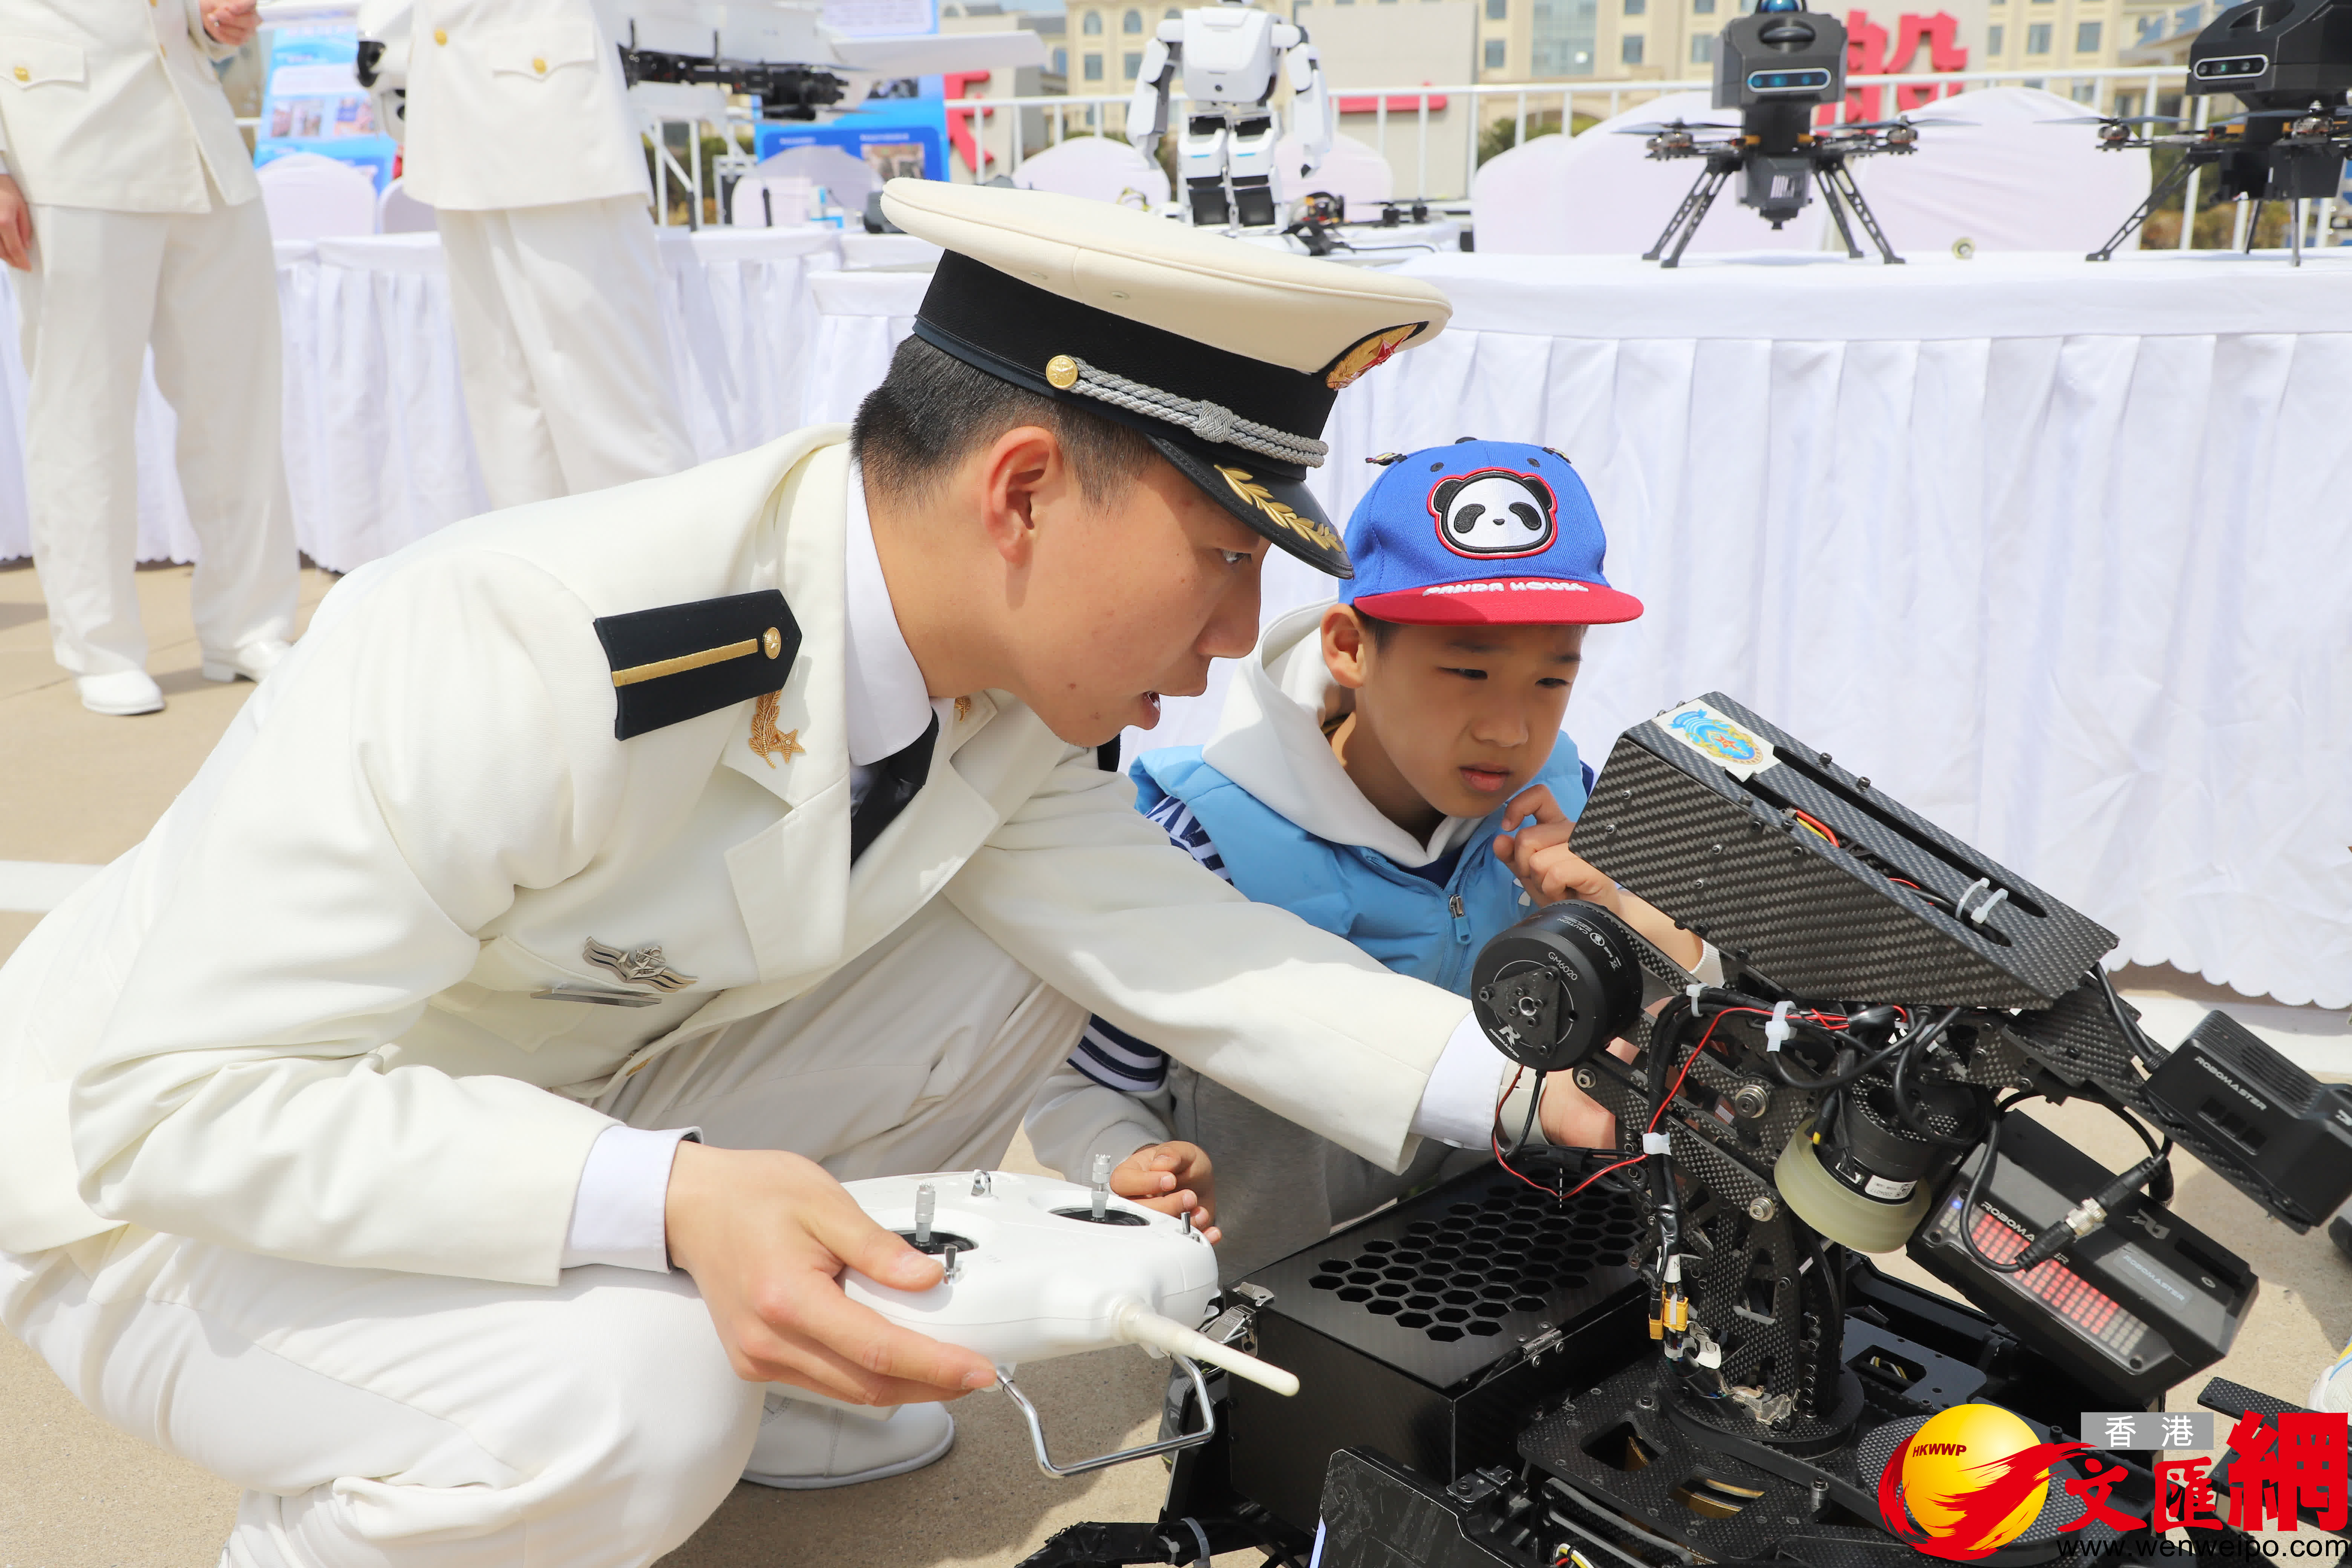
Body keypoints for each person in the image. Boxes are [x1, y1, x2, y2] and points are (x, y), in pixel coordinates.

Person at [0, 184, 1618, 1562]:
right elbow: (172, 1101)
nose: (1224, 638)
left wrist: (1530, 1087)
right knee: (635, 1395)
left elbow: (1177, 942)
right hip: (142, 1194)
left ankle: (755, 1367)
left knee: (1022, 940)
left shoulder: (983, 682)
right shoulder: (528, 644)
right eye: (1222, 556)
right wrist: (679, 1196)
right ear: (1025, 490)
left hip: (508, 1094)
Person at [1027, 439, 1715, 1279]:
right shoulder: (1204, 840)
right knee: (1269, 1032)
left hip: (1491, 1264)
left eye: (1551, 680)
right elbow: (1079, 1087)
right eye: (1467, 670)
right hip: (1270, 1282)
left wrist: (1626, 910)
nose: (1509, 727)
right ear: (1350, 647)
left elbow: (1715, 1019)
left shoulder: (1572, 800)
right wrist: (1124, 1162)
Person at [0, 0, 299, 715]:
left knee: (239, 408)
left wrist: (209, 20)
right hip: (64, 149)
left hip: (201, 144)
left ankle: (248, 627)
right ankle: (98, 646)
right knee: (82, 420)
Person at [360, 0, 695, 508]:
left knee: (615, 416)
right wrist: (391, 43)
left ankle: (678, 583)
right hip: (453, 116)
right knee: (510, 419)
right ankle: (543, 581)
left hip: (548, 110)